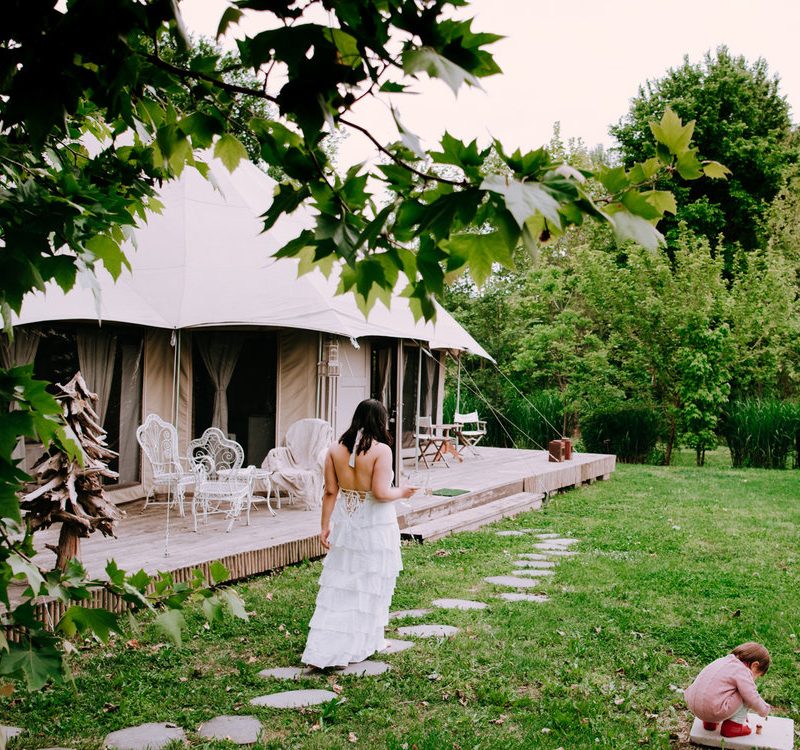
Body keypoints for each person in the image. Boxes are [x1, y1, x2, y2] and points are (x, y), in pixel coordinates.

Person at [301, 399, 416, 669]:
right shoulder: (382, 451)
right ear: (381, 420)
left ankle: (351, 643)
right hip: (376, 525)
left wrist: (324, 525)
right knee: (372, 581)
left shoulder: (333, 450)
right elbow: (381, 492)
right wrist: (404, 491)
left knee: (344, 582)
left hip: (347, 525)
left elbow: (330, 492)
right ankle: (359, 642)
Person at [684, 642, 771, 738]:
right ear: (755, 665)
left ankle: (709, 723)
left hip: (693, 705)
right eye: (757, 676)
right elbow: (752, 696)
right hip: (714, 710)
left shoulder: (722, 661)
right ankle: (734, 726)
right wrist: (764, 710)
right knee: (746, 692)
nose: (754, 679)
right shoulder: (742, 670)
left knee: (714, 689)